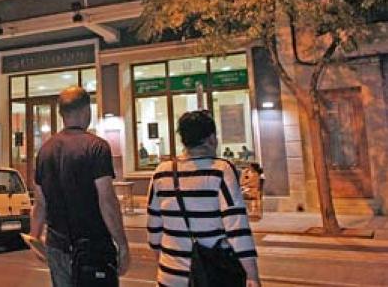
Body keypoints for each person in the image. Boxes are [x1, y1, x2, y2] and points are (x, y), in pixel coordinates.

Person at [146, 110, 260, 287]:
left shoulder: (161, 172)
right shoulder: (220, 170)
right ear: (211, 138)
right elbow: (236, 226)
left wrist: (166, 263)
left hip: (169, 275)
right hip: (213, 275)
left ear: (183, 140)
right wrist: (252, 275)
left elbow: (154, 230)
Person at [30, 86, 130, 286]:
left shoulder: (44, 151)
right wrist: (122, 244)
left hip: (57, 246)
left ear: (61, 114)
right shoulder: (96, 147)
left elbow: (40, 203)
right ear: (86, 110)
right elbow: (107, 201)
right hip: (92, 246)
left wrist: (35, 236)